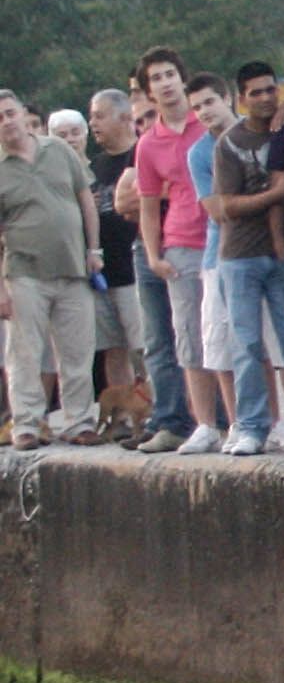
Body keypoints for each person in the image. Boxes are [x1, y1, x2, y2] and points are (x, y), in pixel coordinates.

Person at [203, 62, 284, 455]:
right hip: (239, 255)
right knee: (246, 344)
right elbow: (226, 205)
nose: (264, 99)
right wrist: (278, 192)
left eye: (270, 90)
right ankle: (251, 426)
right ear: (241, 98)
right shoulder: (229, 142)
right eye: (255, 92)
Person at [130, 51, 224, 453]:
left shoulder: (206, 122)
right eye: (157, 78)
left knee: (232, 333)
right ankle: (203, 423)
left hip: (225, 237)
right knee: (190, 335)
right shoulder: (149, 144)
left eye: (171, 74)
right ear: (148, 91)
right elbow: (148, 204)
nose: (166, 83)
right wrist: (154, 255)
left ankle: (238, 420)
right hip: (182, 243)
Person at [0, 90, 103, 447]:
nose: (7, 121)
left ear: (21, 113)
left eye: (10, 112)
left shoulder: (57, 150)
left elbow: (85, 199)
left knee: (77, 350)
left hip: (74, 266)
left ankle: (80, 422)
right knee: (25, 352)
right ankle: (26, 424)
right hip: (23, 271)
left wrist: (94, 249)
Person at [83, 89, 150, 442]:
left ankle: (153, 414)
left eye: (100, 115)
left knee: (144, 346)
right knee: (112, 347)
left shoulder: (139, 154)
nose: (93, 122)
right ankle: (121, 419)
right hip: (101, 274)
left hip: (135, 265)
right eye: (91, 116)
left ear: (125, 117)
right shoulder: (92, 167)